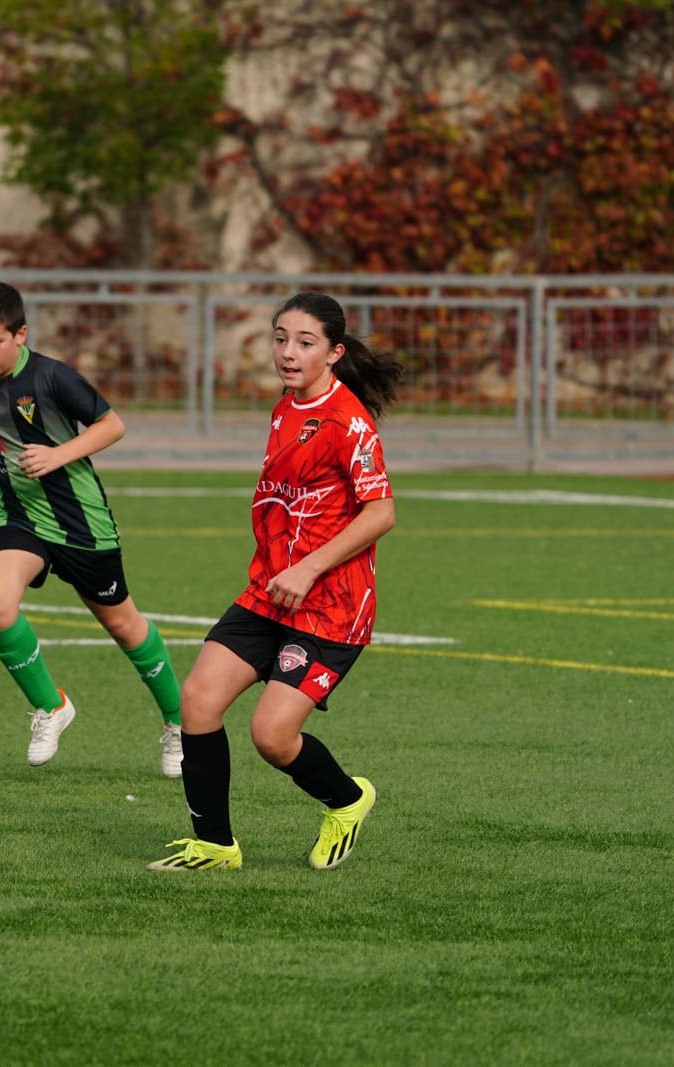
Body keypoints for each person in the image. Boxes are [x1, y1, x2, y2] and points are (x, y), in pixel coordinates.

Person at [147, 291, 403, 871]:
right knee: (198, 701)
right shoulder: (286, 407)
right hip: (270, 591)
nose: (288, 352)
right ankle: (215, 845)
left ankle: (348, 799)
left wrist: (310, 566)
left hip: (333, 606)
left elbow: (381, 512)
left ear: (334, 353)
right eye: (280, 337)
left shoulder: (350, 424)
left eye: (305, 342)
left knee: (271, 736)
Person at [0, 280, 183, 776]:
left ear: (21, 334)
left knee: (123, 626)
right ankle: (51, 705)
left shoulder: (53, 378)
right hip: (17, 514)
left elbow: (112, 425)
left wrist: (58, 454)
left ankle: (178, 723)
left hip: (80, 522)